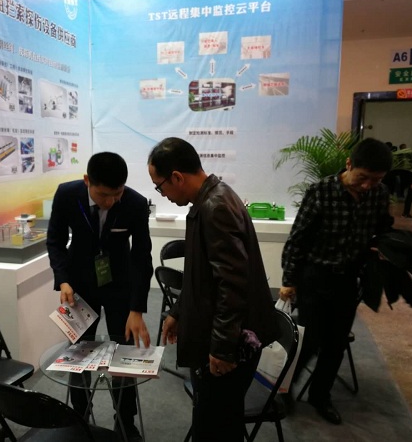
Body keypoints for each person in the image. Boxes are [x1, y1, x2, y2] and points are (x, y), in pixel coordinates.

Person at [147, 137, 278, 441]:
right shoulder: (209, 200)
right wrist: (178, 311)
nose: (162, 194)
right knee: (215, 419)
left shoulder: (215, 207)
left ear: (177, 177)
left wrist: (222, 348)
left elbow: (232, 285)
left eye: (160, 186)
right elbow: (202, 273)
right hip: (219, 333)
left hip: (229, 342)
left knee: (216, 426)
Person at [280, 138, 394, 425]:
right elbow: (297, 240)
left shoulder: (379, 194)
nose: (368, 185)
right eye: (363, 177)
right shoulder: (321, 191)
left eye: (376, 180)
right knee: (310, 340)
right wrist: (289, 280)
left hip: (348, 279)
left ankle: (320, 396)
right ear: (349, 164)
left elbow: (383, 227)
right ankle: (283, 390)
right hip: (315, 277)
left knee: (336, 343)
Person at [46, 152, 153, 442]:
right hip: (79, 285)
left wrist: (137, 308)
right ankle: (79, 416)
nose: (111, 201)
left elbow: (141, 256)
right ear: (87, 181)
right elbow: (55, 240)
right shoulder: (67, 195)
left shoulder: (134, 203)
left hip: (120, 285)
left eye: (117, 194)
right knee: (79, 353)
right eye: (104, 195)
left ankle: (125, 419)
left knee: (124, 355)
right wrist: (63, 279)